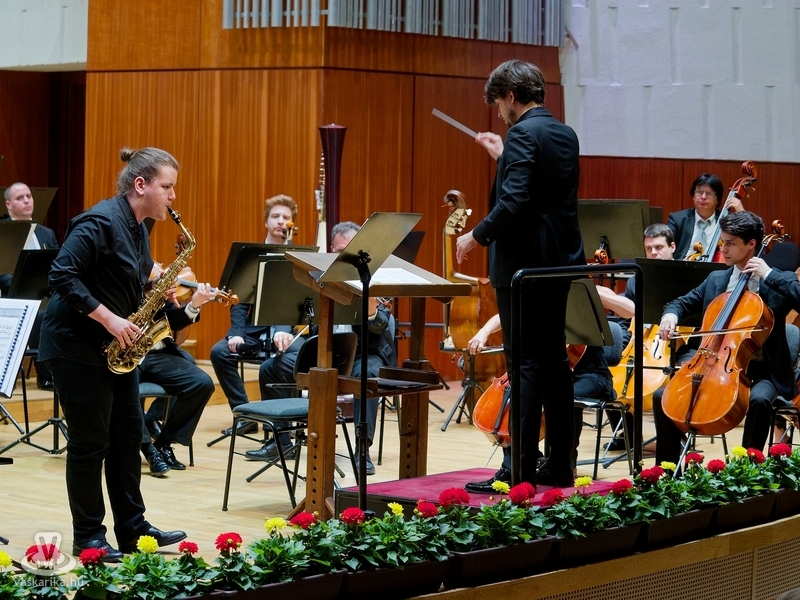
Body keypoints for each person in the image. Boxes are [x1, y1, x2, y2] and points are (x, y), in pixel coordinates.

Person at [38, 147, 187, 560]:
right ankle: (89, 537)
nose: (172, 196)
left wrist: (157, 292)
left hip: (117, 348)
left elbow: (118, 280)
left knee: (127, 437)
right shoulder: (99, 221)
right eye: (167, 187)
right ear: (141, 185)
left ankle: (133, 529)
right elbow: (61, 274)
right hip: (76, 346)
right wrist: (110, 319)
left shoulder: (139, 228)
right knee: (90, 443)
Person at [455, 59, 584, 488]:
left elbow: (516, 201)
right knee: (554, 363)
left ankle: (520, 470)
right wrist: (503, 156)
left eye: (498, 104)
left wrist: (476, 235)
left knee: (524, 365)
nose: (499, 113)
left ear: (511, 96)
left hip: (525, 269)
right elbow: (542, 192)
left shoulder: (522, 134)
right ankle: (561, 464)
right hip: (559, 264)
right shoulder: (565, 133)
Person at [245, 221, 397, 476]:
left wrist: (371, 312)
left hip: (362, 354)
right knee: (271, 368)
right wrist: (284, 330)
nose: (343, 258)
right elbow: (296, 306)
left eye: (348, 251)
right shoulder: (319, 276)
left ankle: (362, 450)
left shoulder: (373, 276)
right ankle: (281, 443)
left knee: (366, 376)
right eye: (338, 252)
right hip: (323, 351)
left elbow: (383, 326)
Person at [654, 211, 800, 464]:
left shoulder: (777, 281)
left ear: (751, 244)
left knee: (759, 400)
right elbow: (680, 303)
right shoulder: (717, 279)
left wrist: (768, 274)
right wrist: (670, 315)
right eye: (723, 242)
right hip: (713, 363)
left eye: (730, 243)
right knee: (661, 396)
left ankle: (748, 468)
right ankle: (666, 472)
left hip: (763, 370)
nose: (723, 249)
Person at [209, 194, 297, 437]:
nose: (281, 221)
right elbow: (239, 302)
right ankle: (245, 415)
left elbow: (296, 302)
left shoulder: (299, 258)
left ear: (292, 224)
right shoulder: (252, 258)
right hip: (254, 332)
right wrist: (236, 333)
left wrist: (284, 330)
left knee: (294, 357)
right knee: (219, 352)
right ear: (266, 222)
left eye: (286, 217)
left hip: (286, 332)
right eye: (275, 216)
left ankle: (282, 425)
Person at [138, 278, 216, 477]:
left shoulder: (157, 286)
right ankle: (148, 450)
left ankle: (163, 444)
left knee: (202, 384)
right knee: (125, 391)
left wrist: (194, 304)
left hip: (158, 354)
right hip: (126, 352)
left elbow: (174, 320)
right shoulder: (120, 283)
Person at [2, 182, 60, 390]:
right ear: (8, 205)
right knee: (40, 314)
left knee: (62, 308)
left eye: (29, 196)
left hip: (45, 291)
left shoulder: (46, 233)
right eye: (20, 198)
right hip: (12, 293)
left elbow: (57, 265)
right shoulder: (3, 231)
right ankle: (44, 374)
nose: (27, 201)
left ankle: (63, 371)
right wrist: (21, 282)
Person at [667, 173, 743, 260]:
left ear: (718, 200)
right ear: (693, 196)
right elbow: (663, 242)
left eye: (709, 193)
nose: (703, 197)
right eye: (699, 192)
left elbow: (749, 241)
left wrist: (742, 212)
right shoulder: (677, 219)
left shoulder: (728, 221)